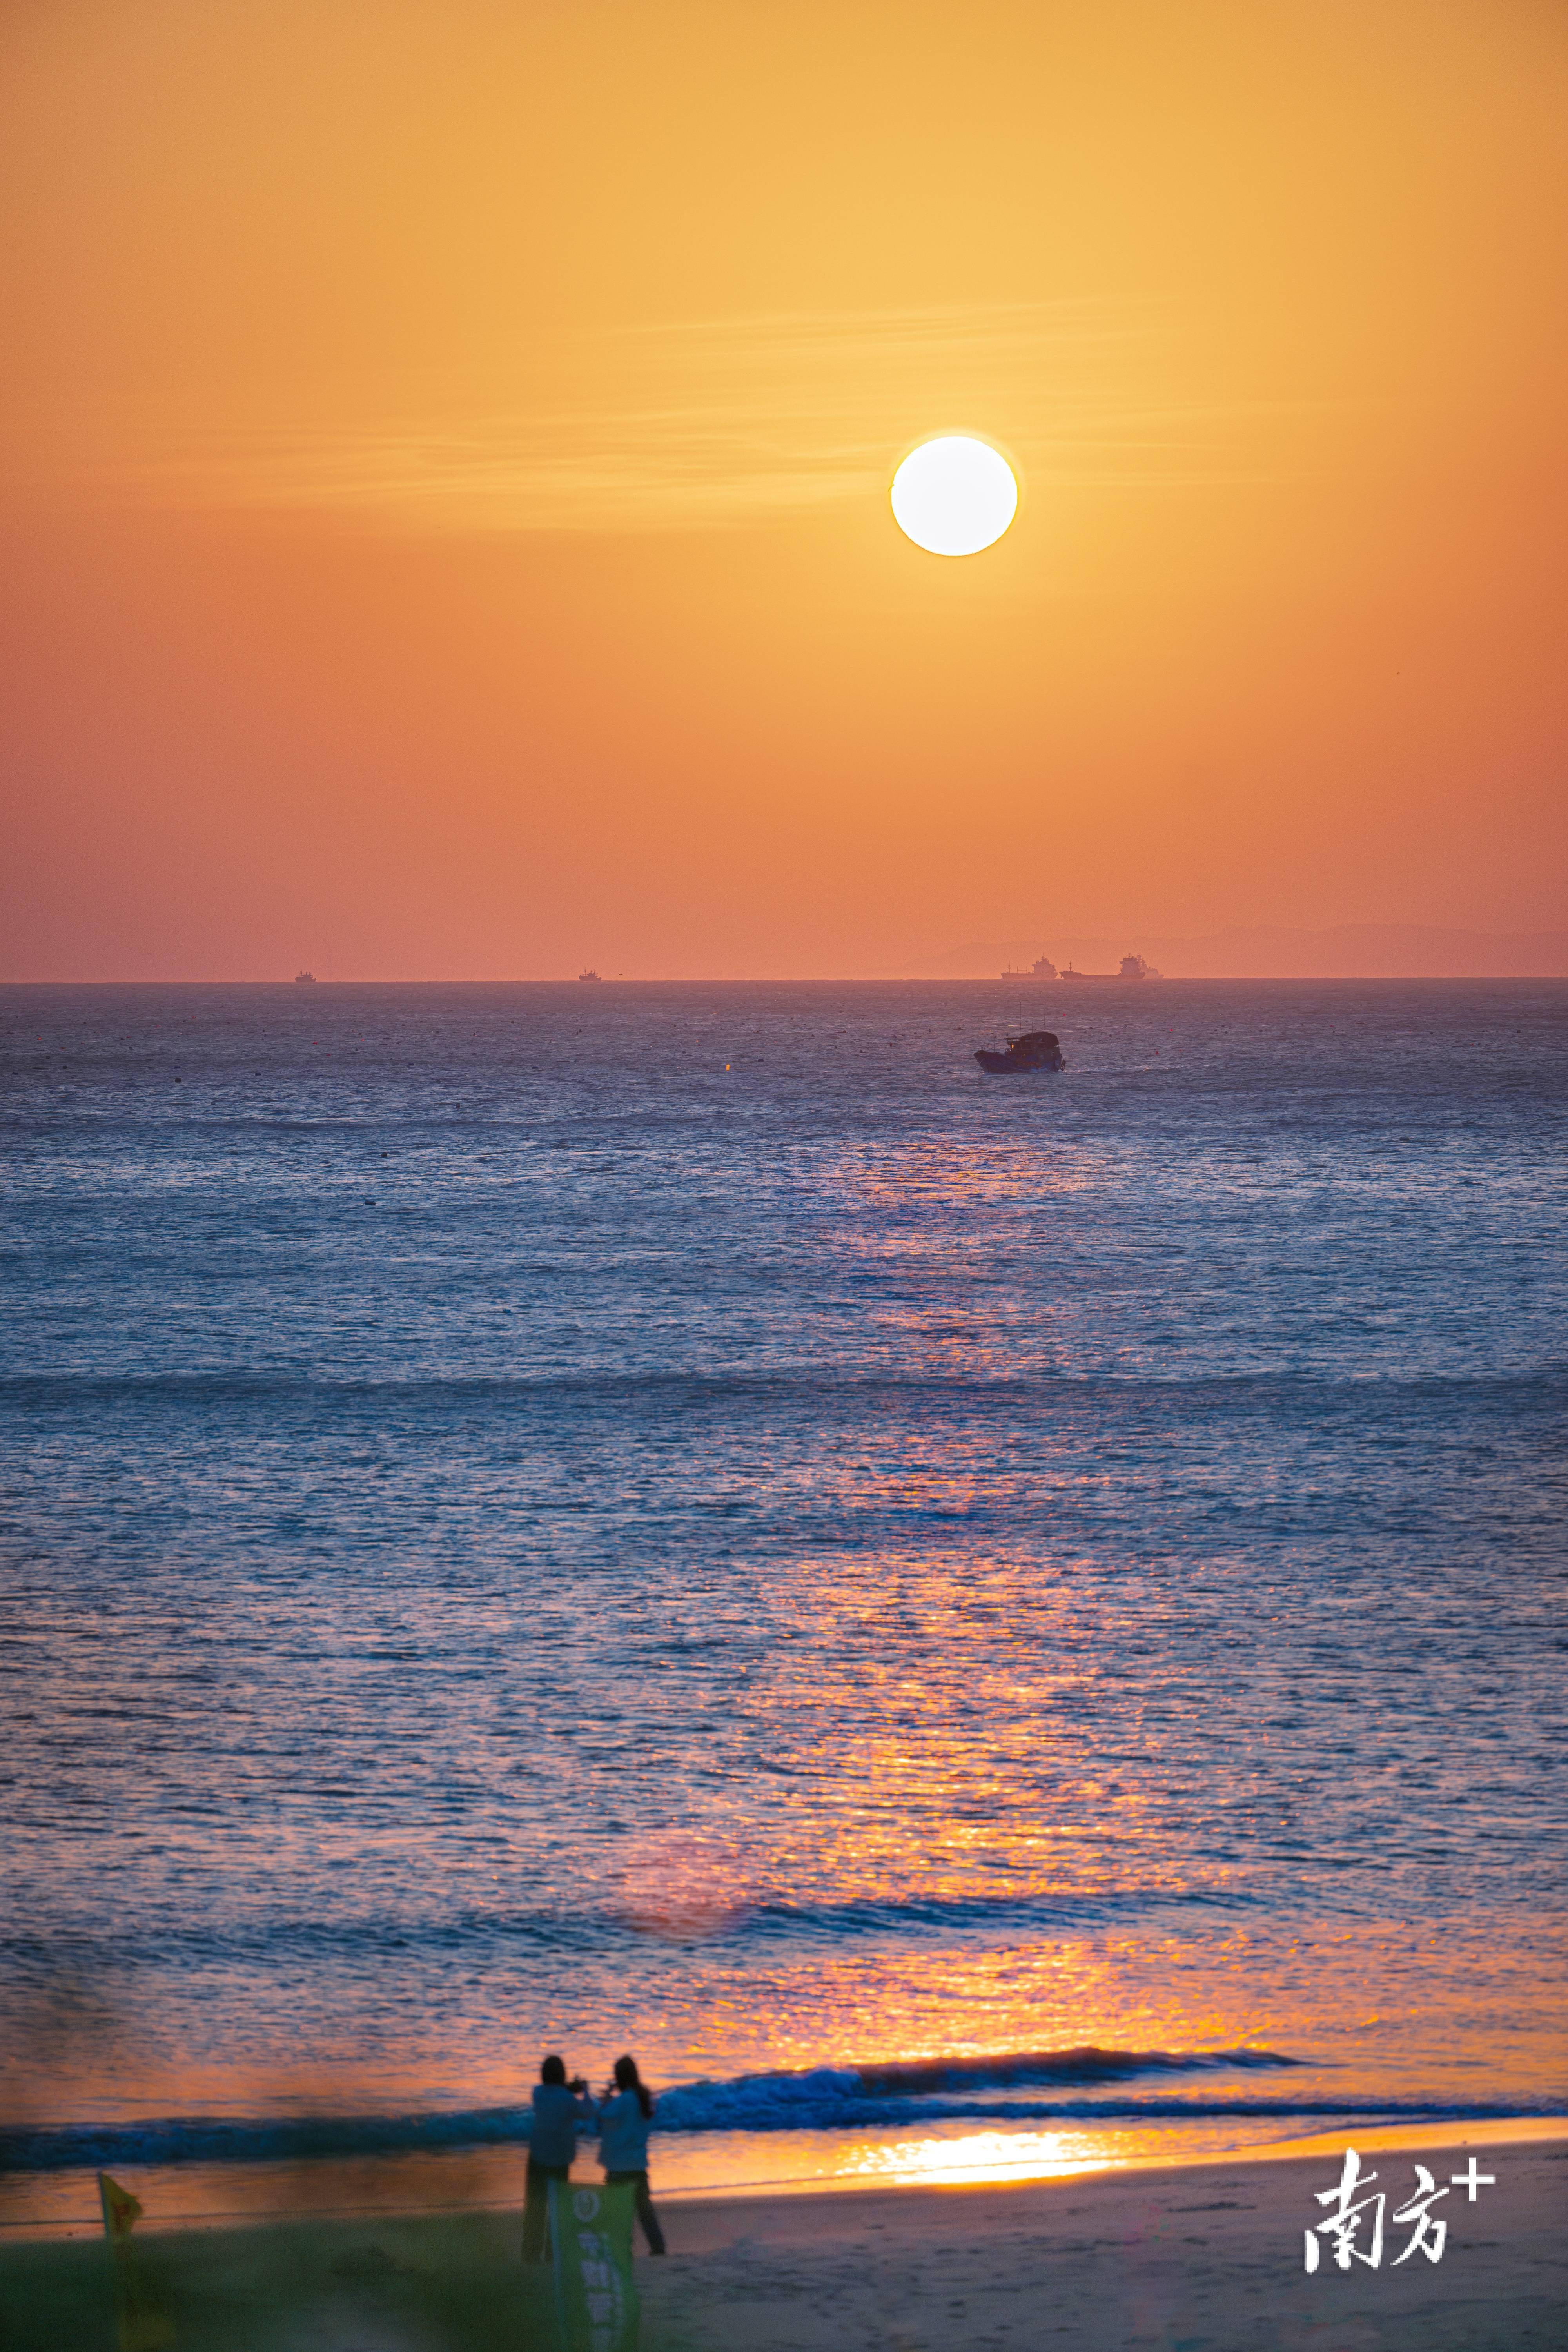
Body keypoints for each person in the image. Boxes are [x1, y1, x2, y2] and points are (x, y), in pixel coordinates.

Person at [522, 2054, 597, 2262]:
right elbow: (588, 2111)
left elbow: (555, 2096)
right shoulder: (569, 2100)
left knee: (535, 2207)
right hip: (560, 2159)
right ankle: (552, 2254)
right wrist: (586, 2090)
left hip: (537, 2157)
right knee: (557, 2210)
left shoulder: (537, 2093)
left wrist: (570, 2089)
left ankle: (530, 2254)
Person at [597, 2054, 666, 2255]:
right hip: (639, 2164)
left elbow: (603, 2116)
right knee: (645, 2211)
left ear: (619, 2077)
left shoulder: (625, 2099)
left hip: (620, 2165)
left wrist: (608, 2097)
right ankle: (658, 2248)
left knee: (618, 2213)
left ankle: (622, 2250)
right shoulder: (645, 2097)